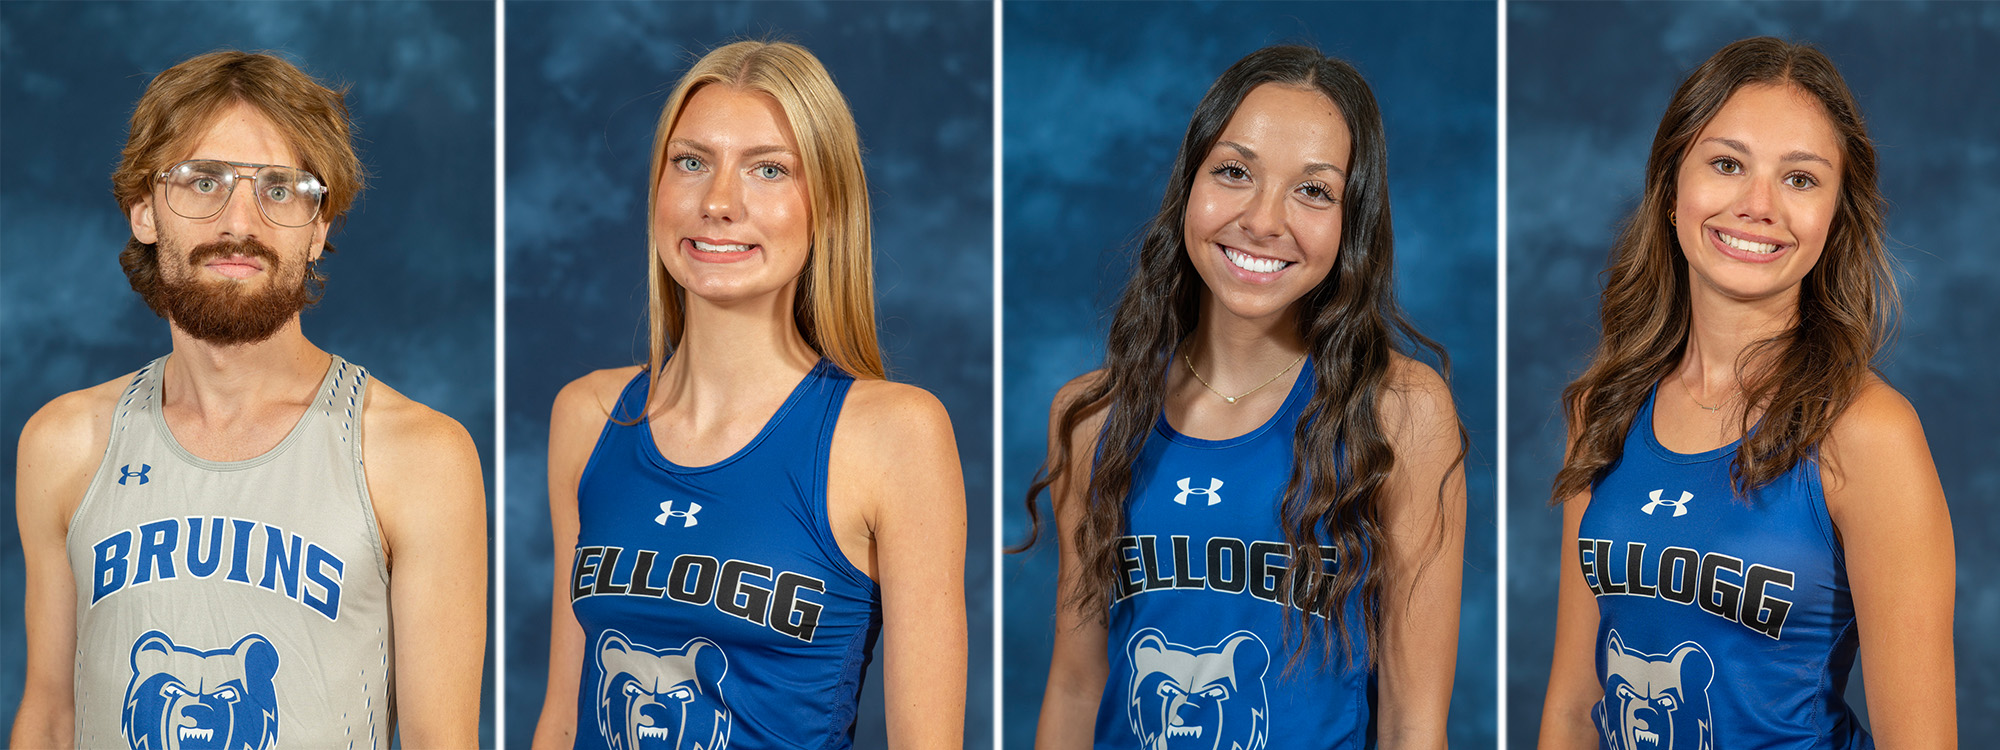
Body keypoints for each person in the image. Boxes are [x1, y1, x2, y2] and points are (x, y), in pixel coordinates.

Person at [10, 51, 486, 748]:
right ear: (144, 209)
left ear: (320, 224)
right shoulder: (64, 444)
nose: (241, 221)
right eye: (203, 181)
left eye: (281, 189)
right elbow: (51, 721)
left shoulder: (417, 457)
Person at [1020, 45, 1466, 748]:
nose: (1263, 219)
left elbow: (1414, 723)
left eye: (1313, 191)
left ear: (1352, 222)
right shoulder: (1093, 415)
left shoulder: (1400, 410)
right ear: (1188, 187)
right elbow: (1076, 687)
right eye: (1234, 172)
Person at [529, 41, 967, 749]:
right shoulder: (589, 415)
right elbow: (562, 716)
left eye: (768, 170)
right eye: (692, 162)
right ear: (658, 188)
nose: (719, 203)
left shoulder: (895, 433)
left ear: (825, 206)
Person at [1537, 37, 1955, 748]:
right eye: (1727, 164)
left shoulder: (1870, 432)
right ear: (1672, 190)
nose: (1758, 205)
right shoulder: (1603, 409)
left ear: (1835, 216)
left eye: (1800, 179)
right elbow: (1577, 706)